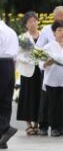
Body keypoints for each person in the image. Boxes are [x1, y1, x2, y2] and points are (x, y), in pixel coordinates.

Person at [36, 6, 63, 136]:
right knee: (48, 101)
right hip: (50, 72)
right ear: (54, 17)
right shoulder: (46, 30)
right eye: (61, 16)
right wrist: (45, 62)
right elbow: (38, 50)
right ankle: (44, 126)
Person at [16, 12, 42, 135]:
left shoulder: (43, 36)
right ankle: (28, 124)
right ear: (26, 24)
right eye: (30, 21)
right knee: (27, 96)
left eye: (35, 21)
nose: (33, 23)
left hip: (41, 70)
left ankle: (37, 123)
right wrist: (30, 60)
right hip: (27, 71)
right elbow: (18, 55)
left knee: (39, 95)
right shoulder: (23, 38)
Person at [0, 18, 19, 149]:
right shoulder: (11, 31)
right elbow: (16, 54)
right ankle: (2, 140)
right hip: (10, 65)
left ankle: (5, 128)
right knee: (5, 103)